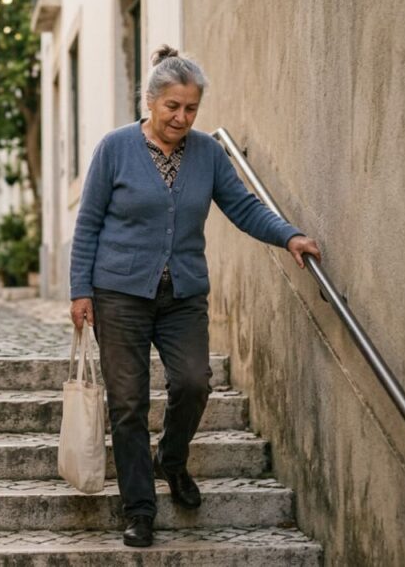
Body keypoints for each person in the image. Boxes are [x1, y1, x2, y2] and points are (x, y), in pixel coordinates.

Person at [69, 45, 321, 548]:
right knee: (127, 404)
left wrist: (289, 235)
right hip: (119, 292)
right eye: (172, 108)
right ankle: (139, 509)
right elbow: (89, 222)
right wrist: (80, 290)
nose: (181, 118)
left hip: (183, 294)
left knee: (194, 382)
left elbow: (244, 208)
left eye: (190, 109)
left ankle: (173, 458)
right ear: (151, 101)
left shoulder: (207, 152)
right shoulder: (115, 148)